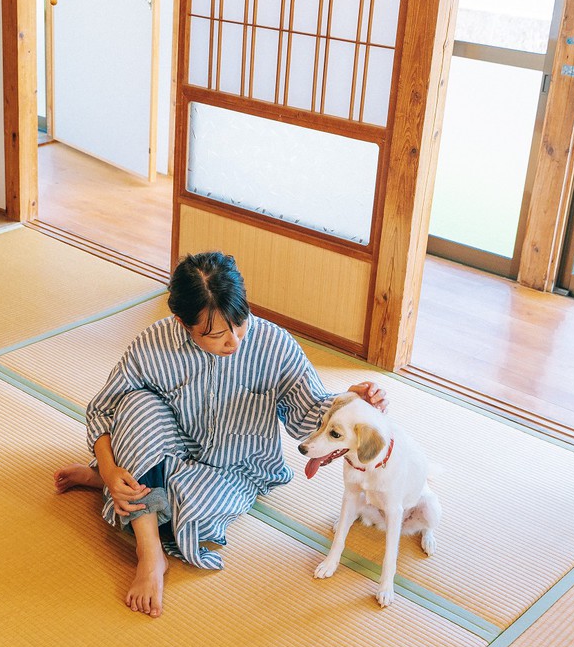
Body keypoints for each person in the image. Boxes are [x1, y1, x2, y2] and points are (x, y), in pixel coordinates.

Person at [53, 251, 387, 618]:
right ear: (183, 323)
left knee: (185, 517)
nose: (235, 341)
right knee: (135, 404)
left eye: (239, 322)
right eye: (215, 334)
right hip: (168, 442)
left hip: (233, 467)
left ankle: (109, 482)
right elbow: (104, 407)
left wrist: (352, 402)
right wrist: (108, 461)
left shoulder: (275, 345)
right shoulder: (155, 342)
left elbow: (311, 412)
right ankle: (149, 557)